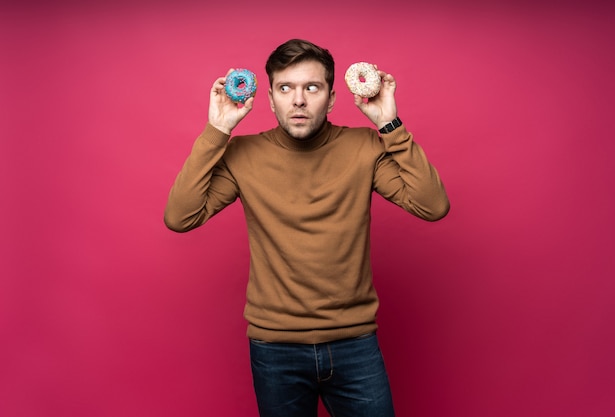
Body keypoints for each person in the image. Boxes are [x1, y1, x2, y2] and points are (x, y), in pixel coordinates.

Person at [164, 39, 449, 417]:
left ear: (331, 98)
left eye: (311, 88)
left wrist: (388, 123)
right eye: (286, 88)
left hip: (355, 343)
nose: (298, 100)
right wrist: (217, 130)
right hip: (275, 349)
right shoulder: (243, 154)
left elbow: (432, 206)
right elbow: (180, 217)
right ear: (270, 98)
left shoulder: (364, 146)